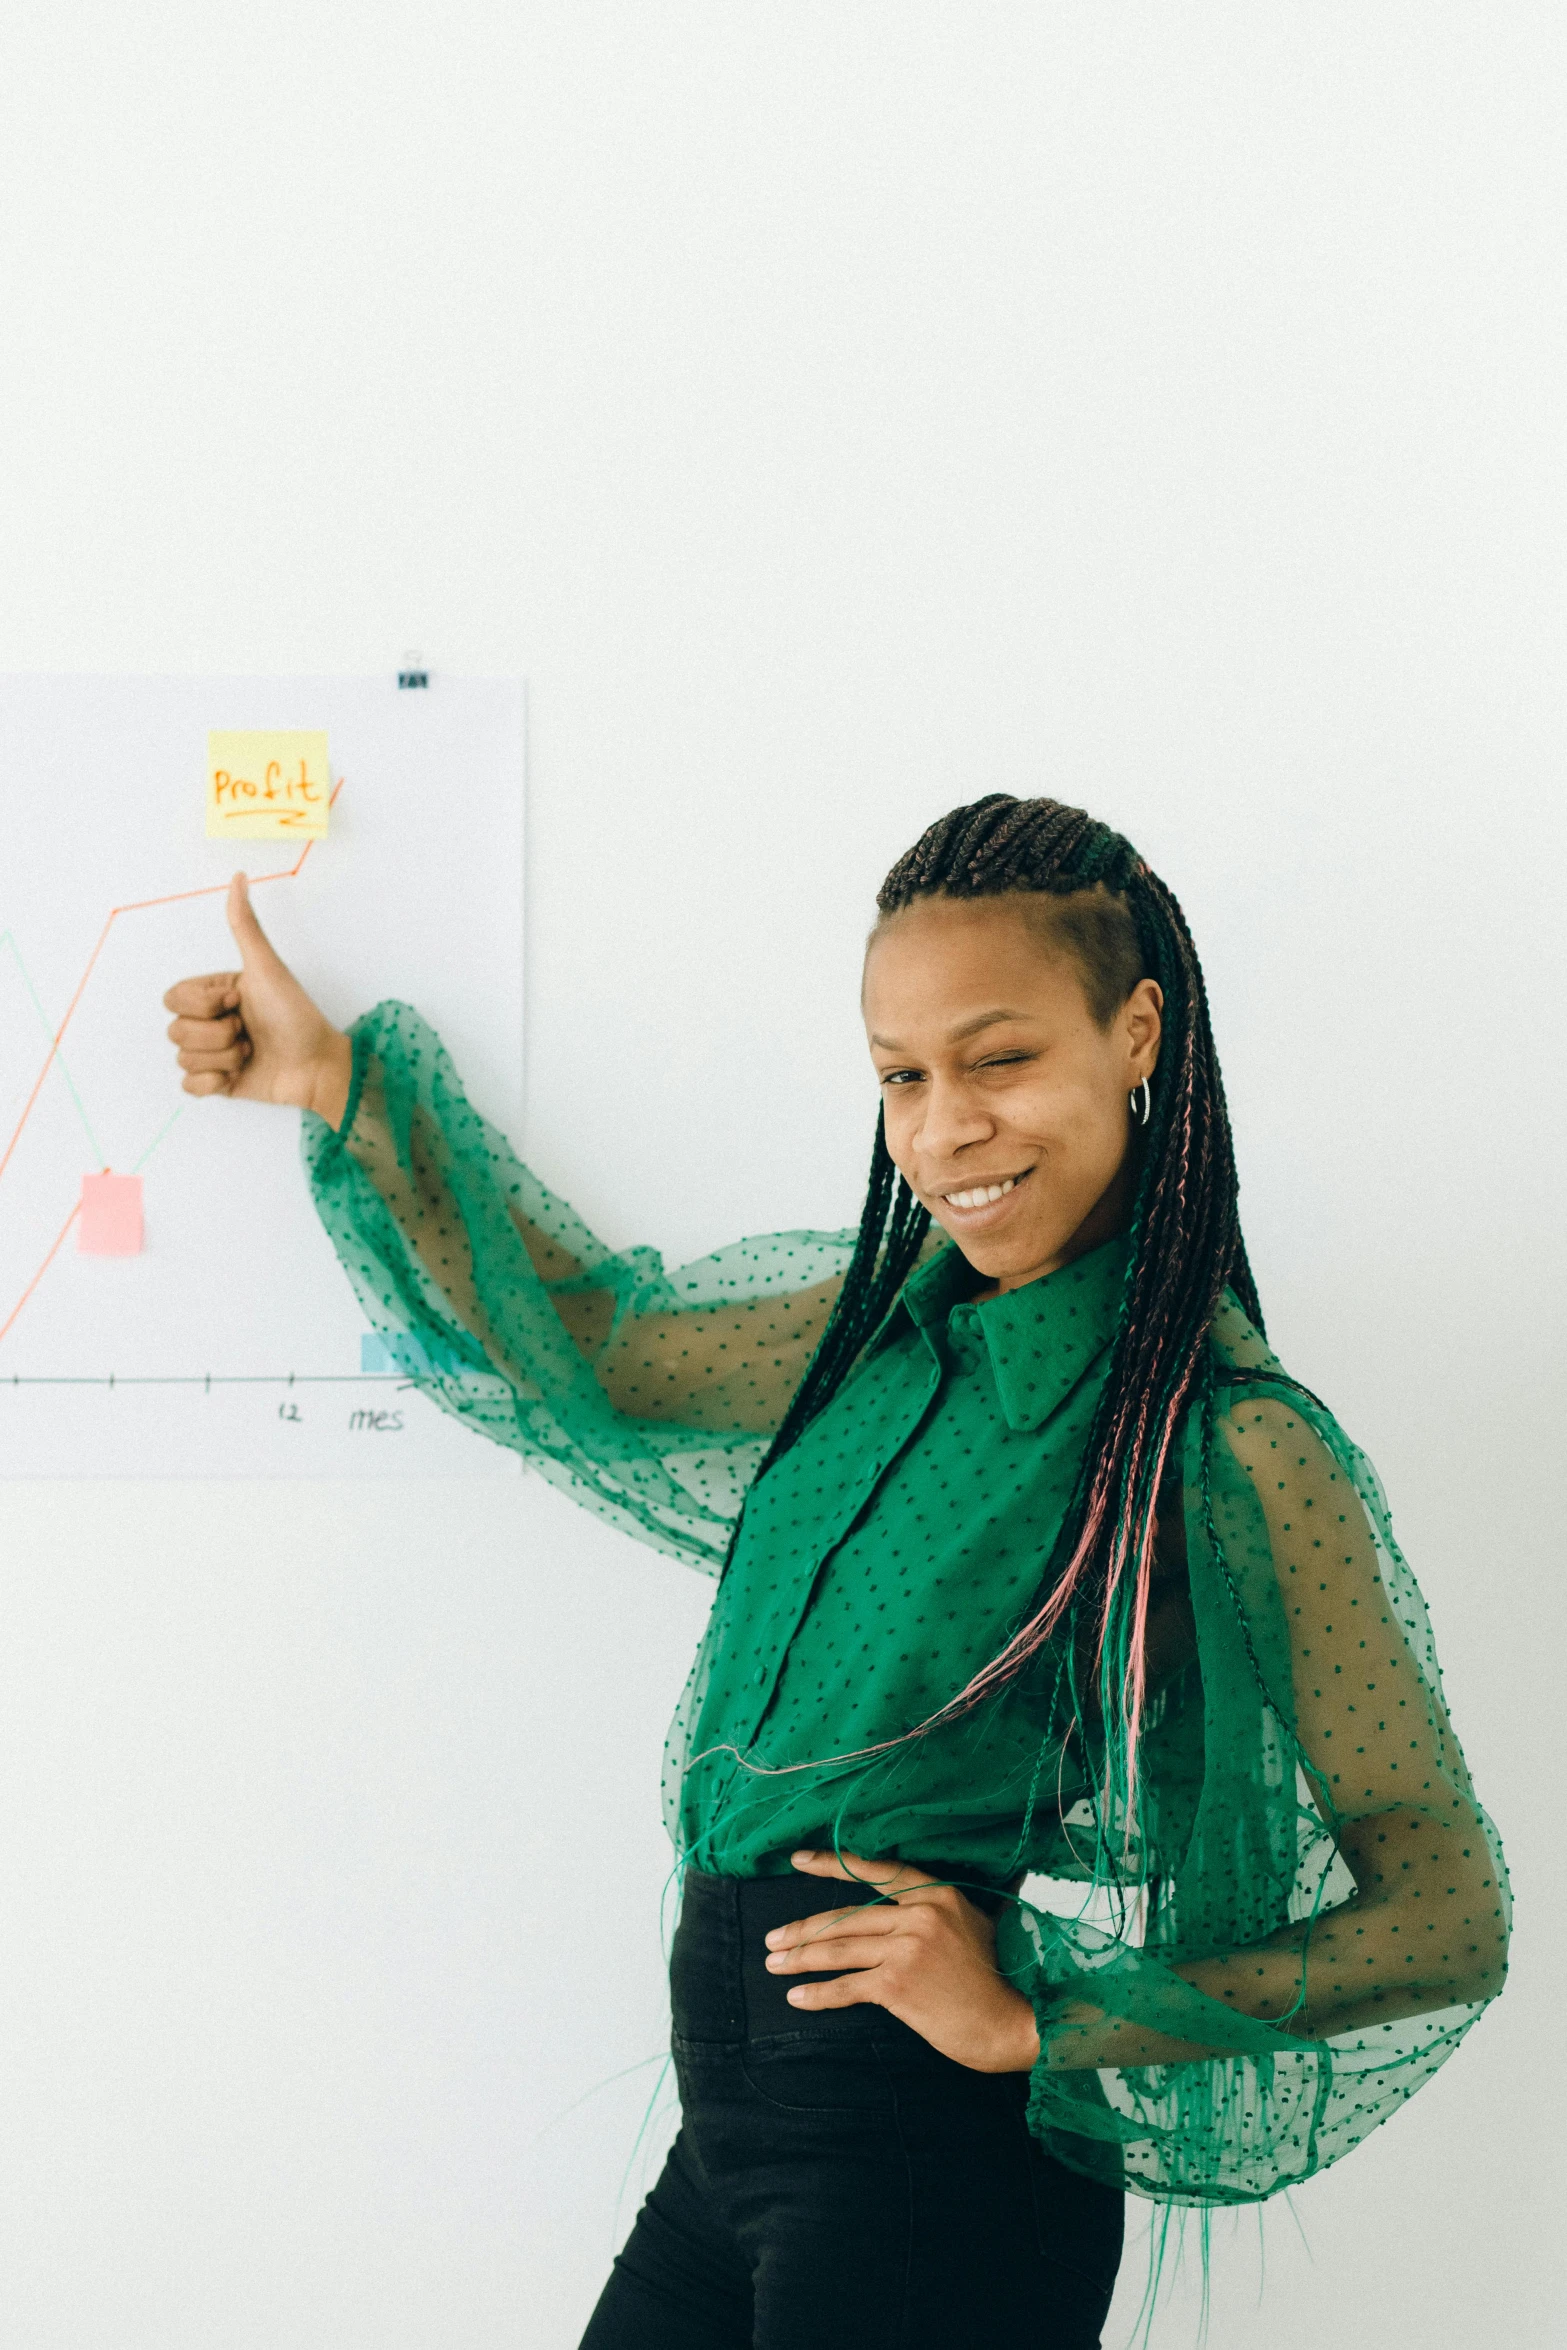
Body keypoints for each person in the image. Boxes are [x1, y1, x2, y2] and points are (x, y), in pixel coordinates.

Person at [162, 794, 1508, 2349]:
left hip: (931, 2160)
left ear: (1135, 1034)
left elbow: (1444, 1907)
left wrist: (1043, 2020)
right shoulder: (869, 1333)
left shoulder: (1232, 1444)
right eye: (901, 1075)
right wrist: (340, 1089)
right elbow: (596, 1349)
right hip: (739, 2127)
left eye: (1000, 1060)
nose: (945, 1128)